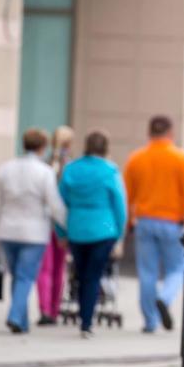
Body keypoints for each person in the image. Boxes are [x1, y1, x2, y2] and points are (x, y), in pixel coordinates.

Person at [123, 116, 184, 333]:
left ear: (149, 133)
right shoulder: (181, 158)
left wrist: (129, 222)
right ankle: (164, 299)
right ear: (171, 133)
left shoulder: (136, 159)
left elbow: (127, 195)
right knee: (177, 268)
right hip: (172, 222)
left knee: (147, 272)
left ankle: (150, 321)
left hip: (144, 221)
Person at [0, 128, 67, 334]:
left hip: (7, 230)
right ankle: (15, 315)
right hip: (34, 233)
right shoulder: (44, 172)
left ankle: (21, 322)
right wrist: (66, 227)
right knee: (25, 277)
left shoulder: (6, 169)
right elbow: (54, 204)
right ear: (43, 147)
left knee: (17, 275)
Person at [58, 130, 127, 338]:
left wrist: (61, 232)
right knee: (93, 275)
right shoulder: (110, 170)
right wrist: (120, 237)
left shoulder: (71, 169)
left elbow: (60, 202)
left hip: (77, 228)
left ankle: (83, 315)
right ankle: (86, 322)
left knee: (80, 274)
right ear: (106, 148)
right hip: (104, 228)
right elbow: (119, 206)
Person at [36, 125, 74, 325]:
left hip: (43, 223)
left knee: (45, 268)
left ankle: (44, 309)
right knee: (59, 268)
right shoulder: (70, 167)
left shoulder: (44, 164)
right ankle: (54, 308)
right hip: (63, 224)